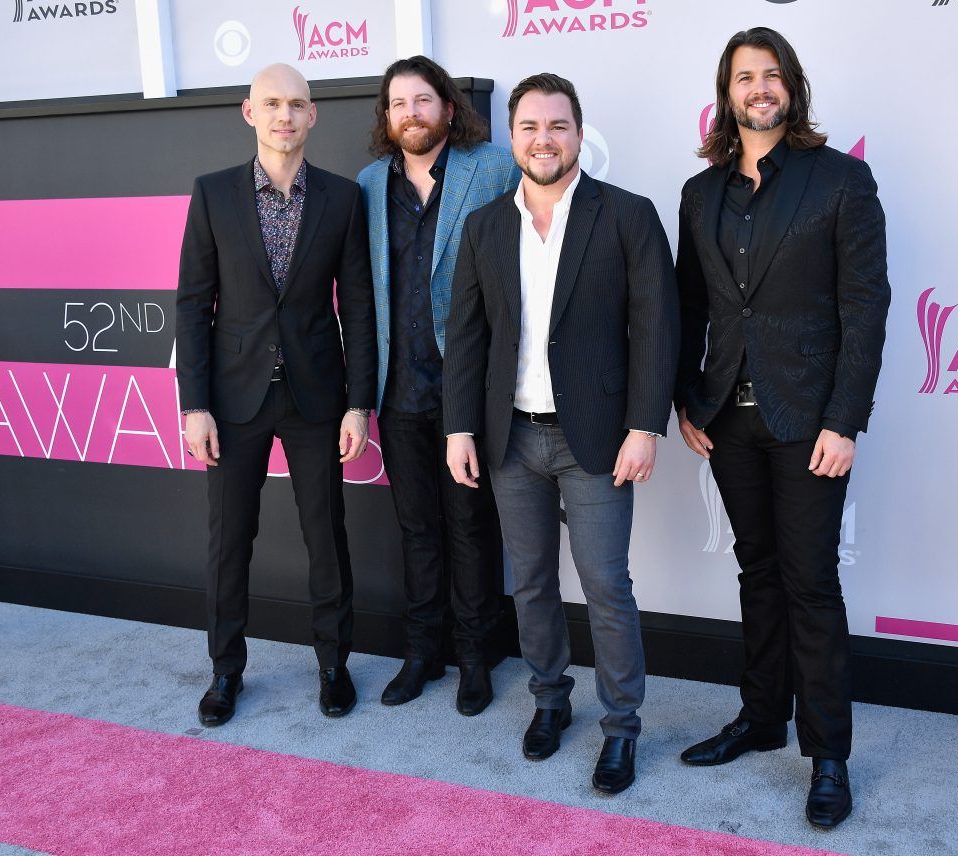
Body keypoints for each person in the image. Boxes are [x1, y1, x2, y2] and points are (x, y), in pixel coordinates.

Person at [673, 28, 890, 829]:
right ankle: (761, 717)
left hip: (810, 423)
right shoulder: (700, 195)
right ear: (726, 93)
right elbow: (687, 305)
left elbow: (866, 307)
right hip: (728, 419)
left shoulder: (841, 180)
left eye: (770, 76)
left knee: (810, 584)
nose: (758, 89)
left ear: (791, 87)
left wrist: (845, 419)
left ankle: (828, 753)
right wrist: (688, 400)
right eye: (743, 78)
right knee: (756, 573)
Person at [444, 73, 678, 793]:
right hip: (511, 439)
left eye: (558, 126)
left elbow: (658, 330)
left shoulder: (627, 216)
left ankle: (621, 729)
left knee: (608, 586)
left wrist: (645, 426)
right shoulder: (484, 227)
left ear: (579, 133)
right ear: (510, 136)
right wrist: (459, 429)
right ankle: (549, 702)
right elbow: (467, 335)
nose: (543, 139)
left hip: (599, 439)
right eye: (530, 127)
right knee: (535, 583)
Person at [175, 63, 377, 725]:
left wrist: (357, 402)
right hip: (232, 402)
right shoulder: (212, 194)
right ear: (249, 112)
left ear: (313, 115)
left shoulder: (344, 199)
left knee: (327, 536)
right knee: (229, 541)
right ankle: (226, 672)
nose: (284, 115)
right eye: (272, 104)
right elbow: (192, 305)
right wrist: (194, 405)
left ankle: (333, 665)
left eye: (296, 104)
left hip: (317, 398)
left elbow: (360, 307)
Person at [357, 57, 520, 715]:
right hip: (399, 391)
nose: (411, 114)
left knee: (471, 527)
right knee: (416, 528)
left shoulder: (494, 170)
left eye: (423, 101)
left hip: (468, 390)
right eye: (399, 104)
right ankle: (423, 654)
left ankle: (476, 659)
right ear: (388, 118)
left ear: (449, 109)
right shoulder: (369, 185)